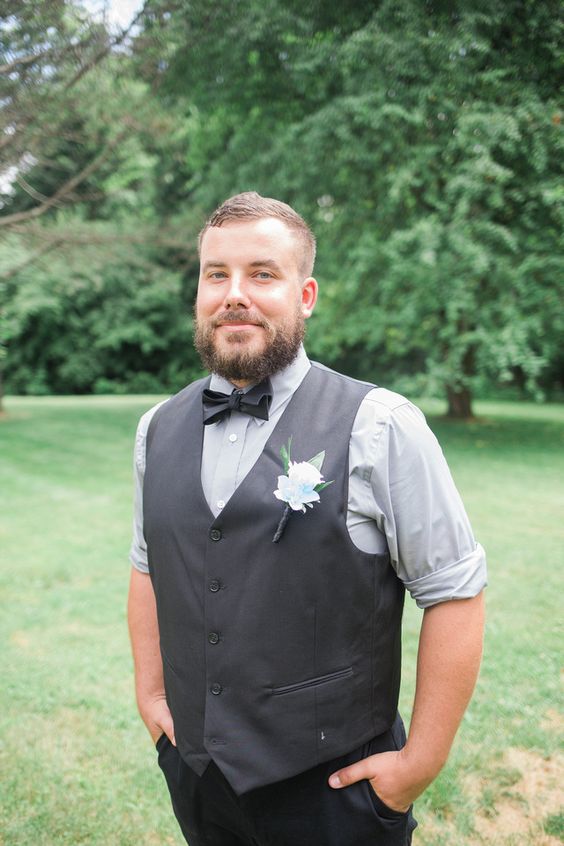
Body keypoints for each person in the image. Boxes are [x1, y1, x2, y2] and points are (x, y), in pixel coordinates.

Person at [127, 192, 486, 846]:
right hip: (199, 777)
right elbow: (150, 565)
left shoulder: (381, 425)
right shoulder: (157, 430)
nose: (235, 293)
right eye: (217, 274)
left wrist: (417, 765)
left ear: (306, 294)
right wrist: (152, 700)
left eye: (263, 274)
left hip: (334, 794)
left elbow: (454, 592)